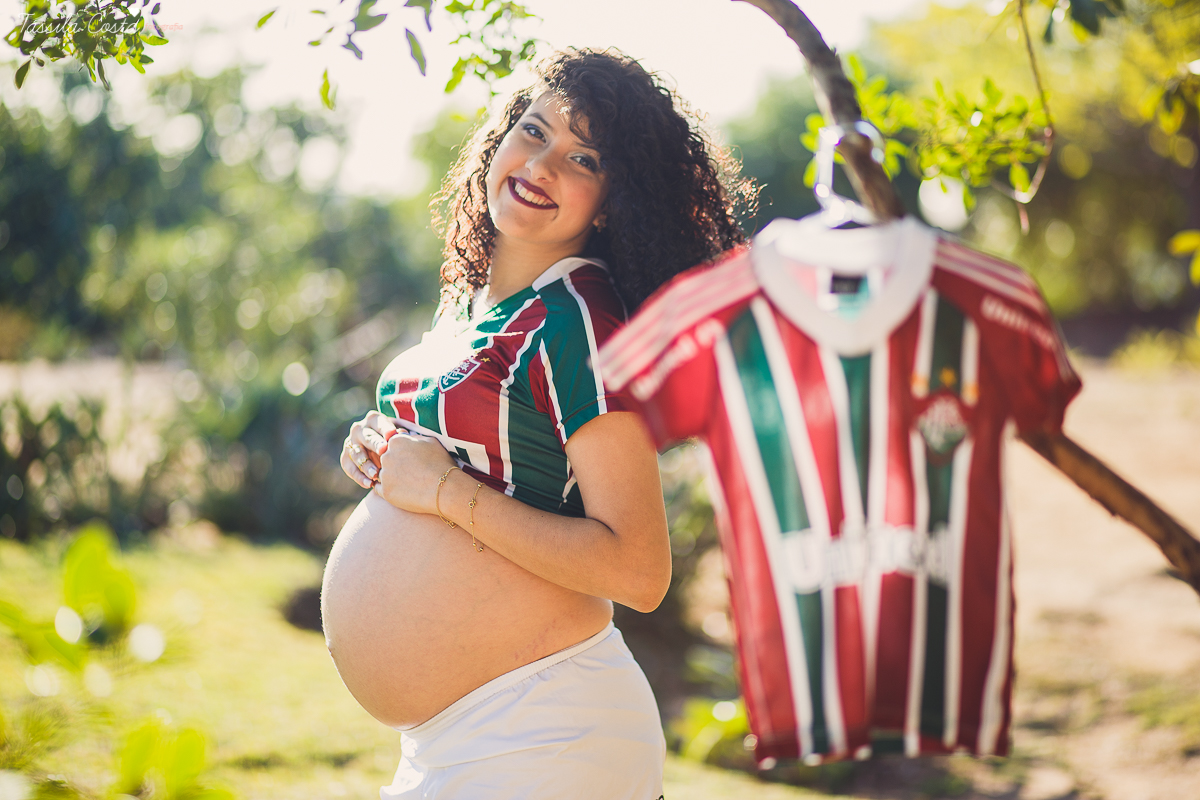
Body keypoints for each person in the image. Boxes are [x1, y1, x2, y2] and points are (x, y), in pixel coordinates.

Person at [320, 48, 755, 799]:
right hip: (459, 737)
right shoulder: (469, 304)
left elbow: (639, 571)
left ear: (612, 201)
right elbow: (453, 458)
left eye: (583, 158)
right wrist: (376, 450)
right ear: (499, 139)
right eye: (534, 130)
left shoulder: (579, 322)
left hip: (545, 729)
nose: (542, 164)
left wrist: (444, 494)